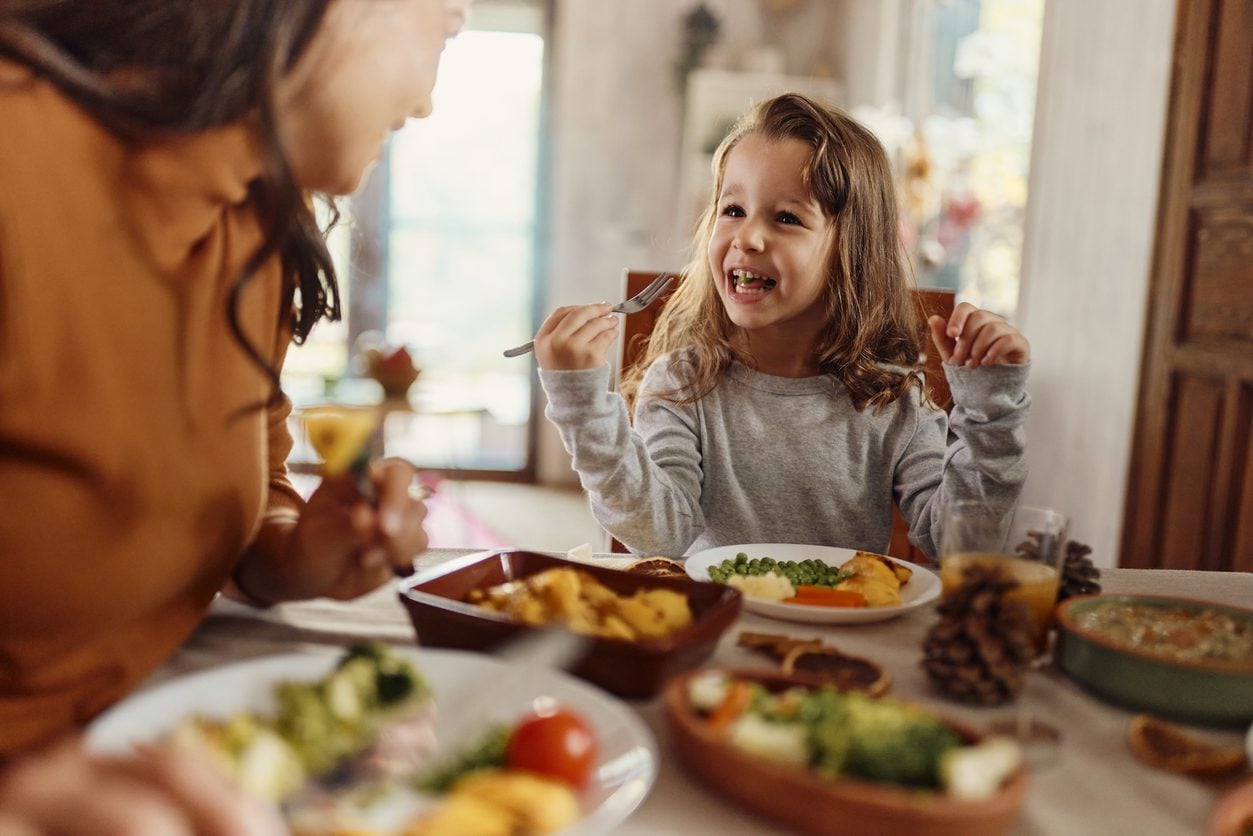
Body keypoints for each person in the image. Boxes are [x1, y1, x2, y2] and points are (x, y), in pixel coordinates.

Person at [0, 0, 468, 830]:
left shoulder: (260, 225)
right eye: (451, 15)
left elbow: (255, 471)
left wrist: (291, 551)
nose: (430, 100)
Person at [534, 93, 1030, 559]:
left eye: (787, 218)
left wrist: (991, 411)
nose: (747, 236)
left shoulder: (893, 400)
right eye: (733, 210)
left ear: (850, 252)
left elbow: (962, 547)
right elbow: (659, 535)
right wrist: (583, 407)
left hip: (845, 635)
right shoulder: (683, 386)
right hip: (719, 633)